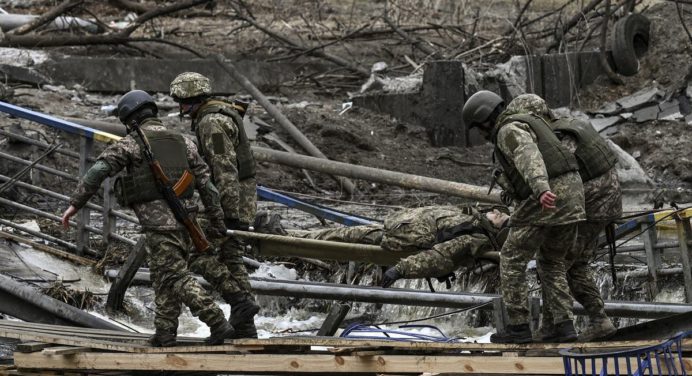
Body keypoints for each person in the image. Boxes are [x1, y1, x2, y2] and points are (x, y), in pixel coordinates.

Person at [61, 90, 234, 347]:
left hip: (159, 224)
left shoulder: (132, 143)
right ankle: (165, 333)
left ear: (130, 119)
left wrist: (76, 204)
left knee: (175, 277)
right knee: (163, 277)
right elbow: (207, 185)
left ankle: (218, 322)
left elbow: (99, 169)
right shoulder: (184, 141)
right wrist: (218, 221)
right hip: (187, 221)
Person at [462, 91, 586, 343]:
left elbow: (528, 155)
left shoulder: (508, 129)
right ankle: (564, 326)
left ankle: (519, 327)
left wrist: (540, 188)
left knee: (511, 258)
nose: (482, 135)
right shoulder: (532, 121)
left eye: (478, 128)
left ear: (485, 119)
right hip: (574, 195)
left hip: (548, 196)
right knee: (552, 261)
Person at [170, 72, 259, 338]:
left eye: (182, 102)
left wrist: (227, 214)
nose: (180, 108)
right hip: (240, 200)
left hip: (229, 202)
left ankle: (239, 302)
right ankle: (245, 325)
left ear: (194, 100)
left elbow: (224, 166)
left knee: (196, 254)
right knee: (231, 258)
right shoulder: (220, 114)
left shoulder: (211, 123)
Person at [254, 206, 510, 287]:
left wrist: (400, 270)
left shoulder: (475, 236)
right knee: (337, 234)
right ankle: (283, 235)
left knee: (337, 238)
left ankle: (279, 239)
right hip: (395, 232)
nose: (497, 212)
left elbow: (440, 256)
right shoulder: (471, 219)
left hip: (394, 242)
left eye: (501, 216)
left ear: (499, 230)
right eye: (498, 211)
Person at [535, 113, 622, 342]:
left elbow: (561, 170)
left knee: (553, 262)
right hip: (603, 201)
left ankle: (553, 327)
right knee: (576, 265)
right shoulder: (568, 123)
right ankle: (598, 320)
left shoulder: (559, 137)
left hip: (592, 204)